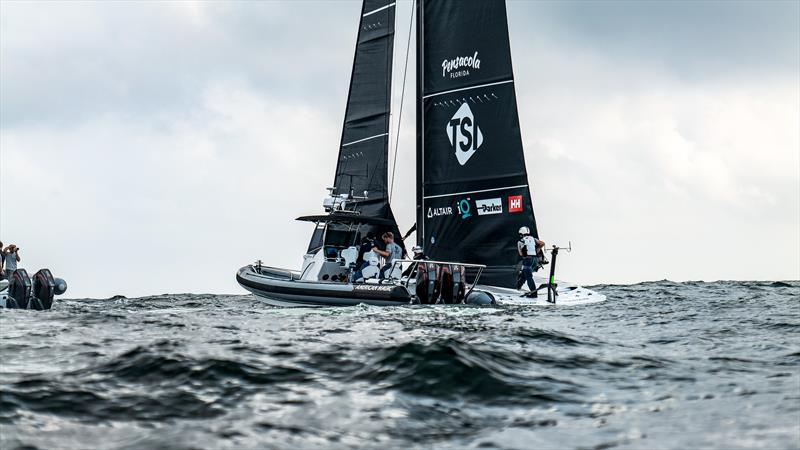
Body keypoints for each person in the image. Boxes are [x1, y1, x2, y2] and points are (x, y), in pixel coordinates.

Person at [516, 227, 544, 297]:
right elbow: (542, 243)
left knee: (529, 277)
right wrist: (538, 248)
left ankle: (534, 293)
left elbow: (521, 254)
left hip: (527, 260)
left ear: (521, 234)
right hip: (535, 260)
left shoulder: (520, 242)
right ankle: (517, 287)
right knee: (524, 275)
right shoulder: (534, 239)